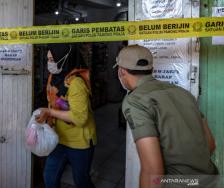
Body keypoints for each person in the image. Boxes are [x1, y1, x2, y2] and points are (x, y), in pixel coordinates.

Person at [114, 44, 218, 188]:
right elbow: (210, 145)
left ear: (121, 71)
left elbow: (152, 170)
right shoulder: (183, 93)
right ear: (151, 69)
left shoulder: (135, 100)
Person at [35, 43, 97, 188]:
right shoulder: (53, 76)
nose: (49, 63)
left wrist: (49, 112)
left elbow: (80, 119)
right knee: (50, 177)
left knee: (81, 181)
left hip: (79, 141)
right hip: (58, 137)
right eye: (48, 59)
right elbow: (53, 102)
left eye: (52, 59)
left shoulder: (76, 83)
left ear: (64, 59)